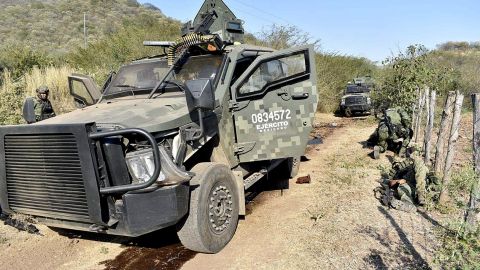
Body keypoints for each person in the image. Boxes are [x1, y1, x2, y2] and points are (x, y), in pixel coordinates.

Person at [375, 145, 440, 212]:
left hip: (420, 189)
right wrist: (389, 181)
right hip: (409, 187)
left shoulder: (420, 165)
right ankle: (409, 204)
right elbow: (393, 180)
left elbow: (424, 178)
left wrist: (421, 193)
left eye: (409, 154)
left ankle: (417, 199)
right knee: (402, 187)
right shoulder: (406, 167)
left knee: (405, 186)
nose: (408, 157)